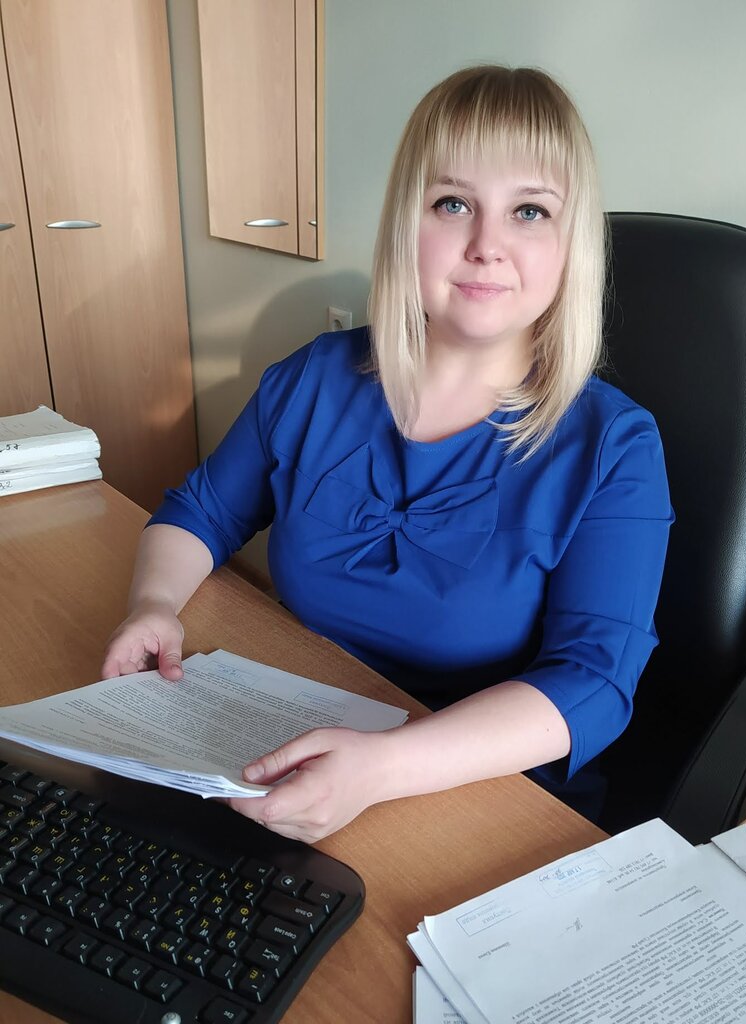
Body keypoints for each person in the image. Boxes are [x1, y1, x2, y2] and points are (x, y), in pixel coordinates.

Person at [102, 66, 673, 842]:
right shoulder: (315, 378)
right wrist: (153, 604)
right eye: (453, 203)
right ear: (408, 220)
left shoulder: (614, 446)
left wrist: (382, 767)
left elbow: (594, 681)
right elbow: (200, 512)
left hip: (480, 794)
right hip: (294, 740)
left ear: (572, 245)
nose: (486, 246)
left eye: (529, 211)